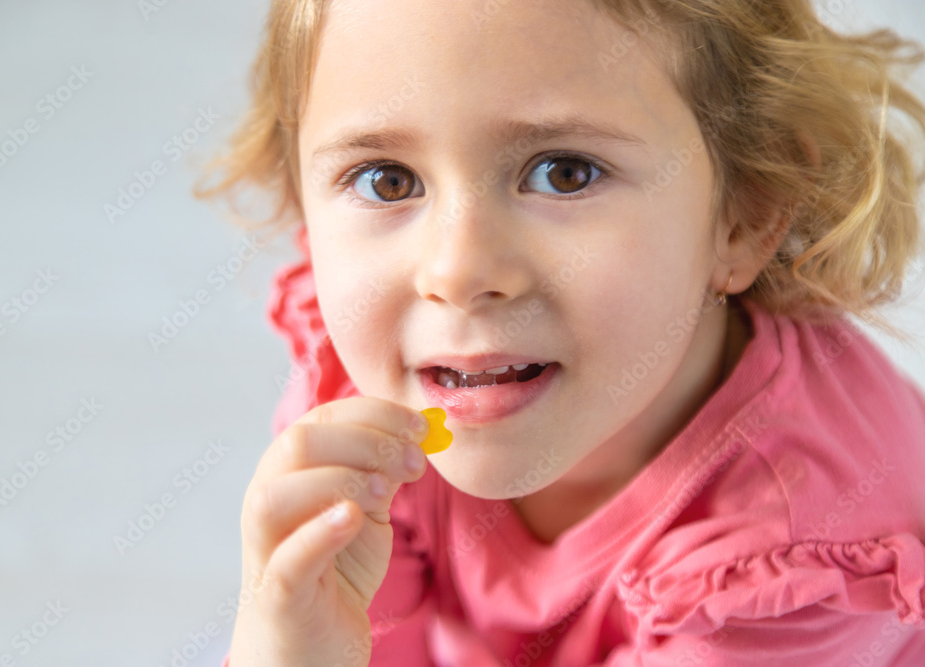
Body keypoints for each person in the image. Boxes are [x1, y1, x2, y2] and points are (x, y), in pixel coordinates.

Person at [196, 0, 925, 664]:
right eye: (388, 180)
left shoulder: (792, 555)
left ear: (747, 211)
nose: (456, 270)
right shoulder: (381, 387)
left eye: (564, 172)